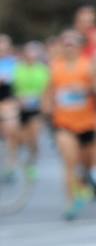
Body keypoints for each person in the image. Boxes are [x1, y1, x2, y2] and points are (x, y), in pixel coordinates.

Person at [47, 30, 96, 220]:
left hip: (87, 122)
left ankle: (86, 181)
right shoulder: (55, 66)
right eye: (66, 44)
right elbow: (48, 92)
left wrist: (86, 89)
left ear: (80, 46)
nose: (69, 47)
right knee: (69, 162)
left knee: (86, 163)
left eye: (73, 43)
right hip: (64, 122)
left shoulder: (89, 66)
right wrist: (46, 109)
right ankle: (70, 202)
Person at [12, 40, 50, 180]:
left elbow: (47, 90)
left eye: (34, 52)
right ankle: (13, 163)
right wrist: (18, 98)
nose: (31, 55)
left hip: (36, 108)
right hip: (20, 109)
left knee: (34, 137)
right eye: (29, 52)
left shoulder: (43, 70)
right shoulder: (17, 68)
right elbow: (12, 88)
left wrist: (42, 102)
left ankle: (32, 163)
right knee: (19, 138)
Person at [0, 34, 19, 180]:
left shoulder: (13, 62)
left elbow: (17, 83)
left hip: (7, 99)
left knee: (10, 130)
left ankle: (10, 164)